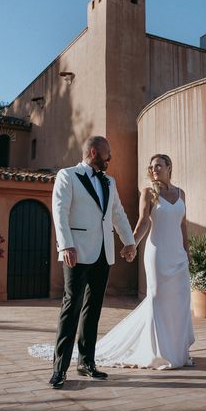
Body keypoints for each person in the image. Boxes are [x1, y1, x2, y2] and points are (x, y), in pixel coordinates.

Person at [30, 153, 195, 370]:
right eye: (152, 167)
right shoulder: (148, 192)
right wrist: (131, 245)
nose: (154, 170)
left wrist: (187, 252)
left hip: (178, 257)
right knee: (158, 301)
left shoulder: (181, 193)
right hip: (158, 255)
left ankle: (179, 352)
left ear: (169, 167)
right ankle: (160, 353)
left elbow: (182, 226)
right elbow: (142, 223)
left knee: (180, 302)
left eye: (159, 166)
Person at [48, 136, 136, 390]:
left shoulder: (110, 181)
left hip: (103, 253)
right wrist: (65, 245)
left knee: (93, 309)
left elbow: (117, 212)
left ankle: (86, 363)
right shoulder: (68, 176)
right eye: (107, 153)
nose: (110, 158)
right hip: (76, 251)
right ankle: (59, 369)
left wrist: (128, 241)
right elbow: (60, 211)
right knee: (70, 307)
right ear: (94, 151)